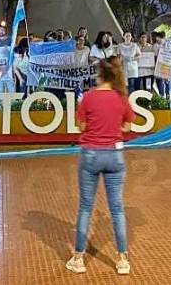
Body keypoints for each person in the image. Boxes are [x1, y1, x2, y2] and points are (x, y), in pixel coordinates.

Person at [66, 59, 134, 276]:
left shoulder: (88, 97)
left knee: (86, 206)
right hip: (114, 155)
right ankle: (122, 259)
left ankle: (78, 258)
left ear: (100, 75)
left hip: (91, 154)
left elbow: (81, 126)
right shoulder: (121, 98)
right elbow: (127, 126)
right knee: (117, 208)